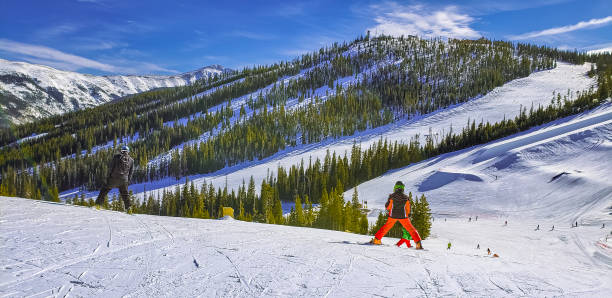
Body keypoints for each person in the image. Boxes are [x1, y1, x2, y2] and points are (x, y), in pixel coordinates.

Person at [370, 181, 423, 249]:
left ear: (395, 188)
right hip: (403, 216)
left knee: (386, 227)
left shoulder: (392, 197)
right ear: (402, 188)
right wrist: (407, 215)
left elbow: (388, 207)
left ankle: (377, 240)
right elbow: (408, 209)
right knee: (411, 229)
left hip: (393, 216)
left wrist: (389, 210)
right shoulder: (406, 198)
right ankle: (418, 243)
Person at [95, 145, 134, 212]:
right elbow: (131, 172)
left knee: (104, 190)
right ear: (128, 152)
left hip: (113, 178)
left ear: (121, 151)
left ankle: (98, 205)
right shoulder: (131, 160)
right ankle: (129, 208)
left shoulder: (116, 157)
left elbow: (111, 168)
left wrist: (108, 177)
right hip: (124, 180)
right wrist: (127, 181)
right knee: (125, 194)